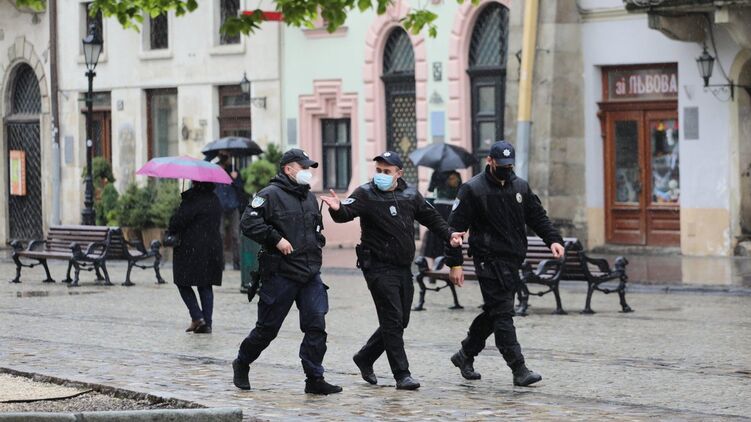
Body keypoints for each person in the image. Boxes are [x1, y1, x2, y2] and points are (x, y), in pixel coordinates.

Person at [320, 151, 464, 391]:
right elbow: (346, 214)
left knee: (401, 320)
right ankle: (402, 374)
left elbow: (432, 218)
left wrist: (449, 234)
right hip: (377, 266)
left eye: (387, 172)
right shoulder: (365, 193)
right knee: (392, 320)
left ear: (399, 173)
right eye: (378, 171)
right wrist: (336, 208)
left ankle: (365, 357)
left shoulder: (410, 194)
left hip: (402, 267)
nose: (381, 176)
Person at [445, 140, 565, 387]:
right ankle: (519, 369)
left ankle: (465, 354)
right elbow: (454, 230)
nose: (506, 169)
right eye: (501, 165)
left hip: (512, 260)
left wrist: (553, 240)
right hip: (488, 260)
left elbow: (537, 216)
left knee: (493, 312)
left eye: (510, 165)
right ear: (490, 161)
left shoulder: (520, 186)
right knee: (503, 314)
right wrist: (454, 264)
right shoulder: (472, 189)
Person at [232, 148, 342, 395]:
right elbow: (248, 223)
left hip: (309, 274)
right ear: (288, 169)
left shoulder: (308, 197)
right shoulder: (269, 195)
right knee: (267, 330)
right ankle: (242, 361)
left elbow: (315, 230)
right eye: (303, 167)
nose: (307, 172)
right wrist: (276, 239)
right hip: (280, 274)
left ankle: (314, 378)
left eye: (309, 168)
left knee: (316, 326)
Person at [167, 181, 224, 334]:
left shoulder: (192, 199)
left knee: (181, 281)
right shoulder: (214, 199)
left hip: (191, 248)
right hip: (212, 248)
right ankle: (207, 323)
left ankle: (197, 316)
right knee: (205, 284)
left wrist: (177, 211)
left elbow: (177, 223)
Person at [421, 170, 463, 259]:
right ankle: (451, 257)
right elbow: (460, 190)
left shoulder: (437, 173)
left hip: (439, 206)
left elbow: (431, 189)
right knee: (451, 232)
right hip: (453, 207)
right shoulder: (456, 175)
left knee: (437, 229)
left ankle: (437, 257)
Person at [214, 151, 244, 270]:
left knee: (236, 235)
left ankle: (237, 263)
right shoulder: (215, 168)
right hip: (219, 205)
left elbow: (240, 187)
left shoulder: (233, 169)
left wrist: (235, 178)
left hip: (233, 205)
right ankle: (220, 263)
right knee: (220, 234)